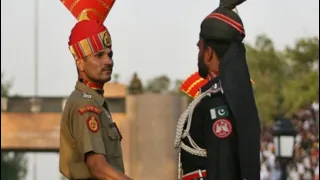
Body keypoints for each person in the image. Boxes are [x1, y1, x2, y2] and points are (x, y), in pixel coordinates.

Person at [174, 0, 261, 179]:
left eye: (200, 46)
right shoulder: (230, 98)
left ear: (209, 53)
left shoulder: (217, 103)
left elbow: (223, 168)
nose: (198, 49)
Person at [59, 0, 133, 179]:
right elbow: (98, 167)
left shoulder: (95, 101)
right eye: (99, 55)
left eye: (110, 54)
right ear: (80, 63)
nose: (108, 61)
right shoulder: (85, 104)